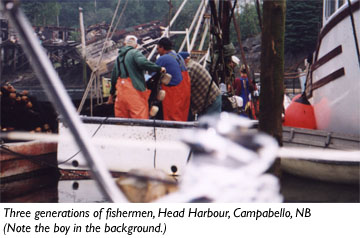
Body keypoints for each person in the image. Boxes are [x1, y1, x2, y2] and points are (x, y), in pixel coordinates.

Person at [107, 35, 165, 119]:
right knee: (140, 120)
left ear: (124, 44)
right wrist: (159, 68)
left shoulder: (118, 58)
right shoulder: (135, 53)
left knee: (121, 122)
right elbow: (143, 63)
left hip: (121, 96)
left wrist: (111, 95)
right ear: (136, 45)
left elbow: (114, 77)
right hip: (134, 93)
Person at [155, 37, 191, 121]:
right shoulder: (178, 56)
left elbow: (154, 74)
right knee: (181, 117)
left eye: (158, 48)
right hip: (184, 90)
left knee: (172, 118)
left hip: (174, 92)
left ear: (162, 47)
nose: (157, 51)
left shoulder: (163, 58)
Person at [178, 52, 221, 119]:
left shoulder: (190, 69)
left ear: (186, 60)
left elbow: (184, 89)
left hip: (211, 100)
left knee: (210, 124)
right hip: (209, 100)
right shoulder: (192, 65)